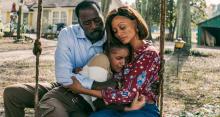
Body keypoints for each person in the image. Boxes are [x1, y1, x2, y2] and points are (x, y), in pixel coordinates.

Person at [3, 1, 106, 117]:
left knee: (55, 109)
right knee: (11, 93)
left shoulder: (112, 37)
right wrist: (95, 83)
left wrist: (78, 78)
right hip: (63, 88)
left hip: (89, 97)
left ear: (102, 16)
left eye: (97, 20)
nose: (94, 26)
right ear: (80, 24)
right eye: (87, 23)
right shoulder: (68, 34)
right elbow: (63, 77)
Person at [71, 6, 161, 117]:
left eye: (122, 27)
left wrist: (82, 89)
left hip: (142, 107)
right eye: (115, 31)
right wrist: (84, 71)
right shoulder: (122, 51)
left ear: (136, 23)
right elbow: (112, 78)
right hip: (118, 106)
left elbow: (128, 94)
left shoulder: (149, 53)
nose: (118, 33)